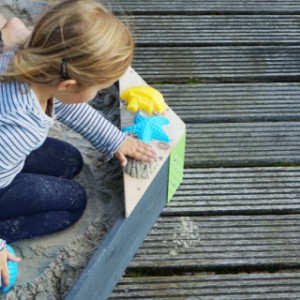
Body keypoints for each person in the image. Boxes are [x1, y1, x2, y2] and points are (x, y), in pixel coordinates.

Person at [0, 0, 156, 288]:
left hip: (6, 161)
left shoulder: (30, 59)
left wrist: (115, 140)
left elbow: (68, 105)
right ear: (68, 84)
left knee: (69, 160)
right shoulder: (16, 129)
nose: (97, 92)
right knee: (73, 203)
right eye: (96, 88)